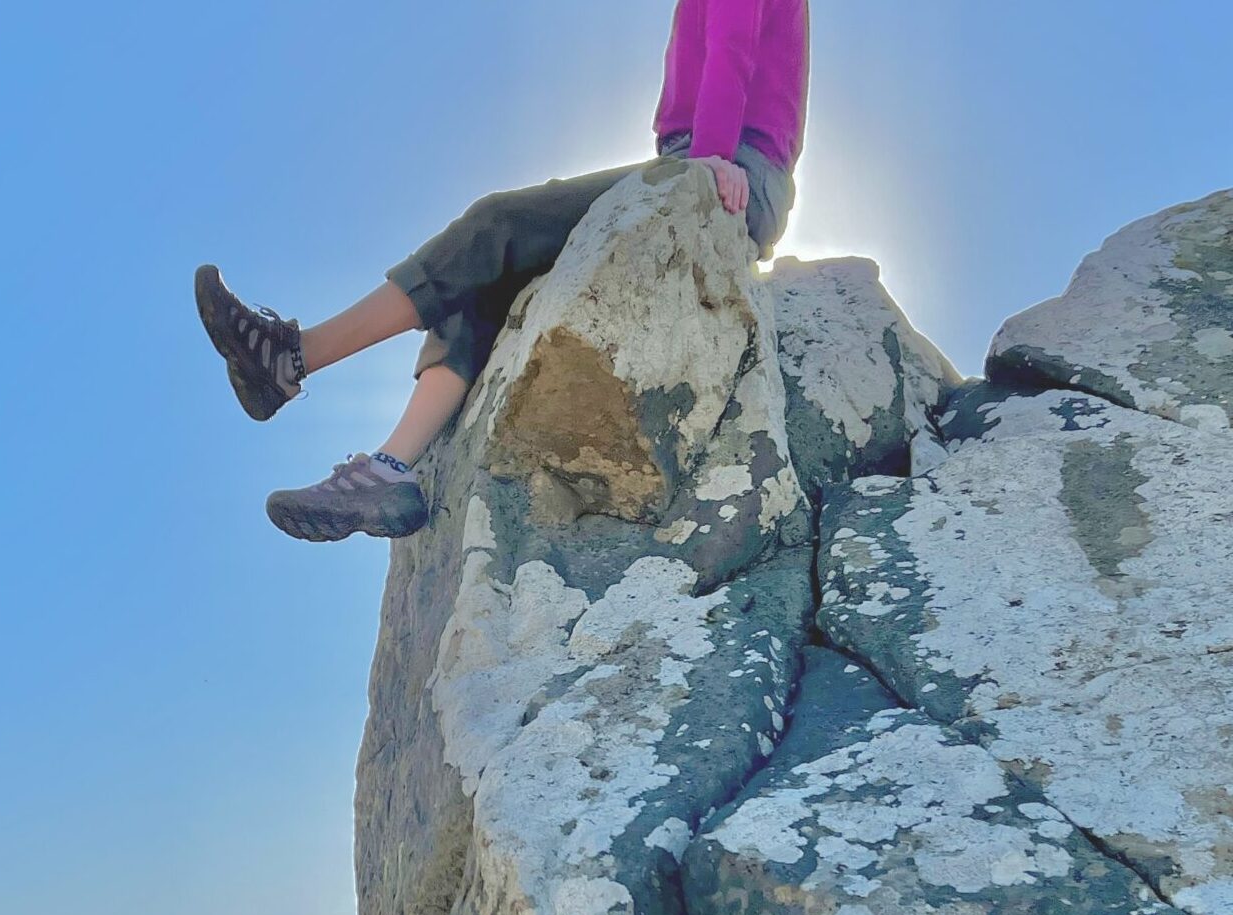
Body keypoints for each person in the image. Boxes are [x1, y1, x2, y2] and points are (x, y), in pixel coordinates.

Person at [195, 0, 809, 543]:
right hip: (705, 159)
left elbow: (734, 50)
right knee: (481, 282)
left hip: (730, 169)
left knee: (497, 223)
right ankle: (389, 471)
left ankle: (296, 356)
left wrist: (712, 156)